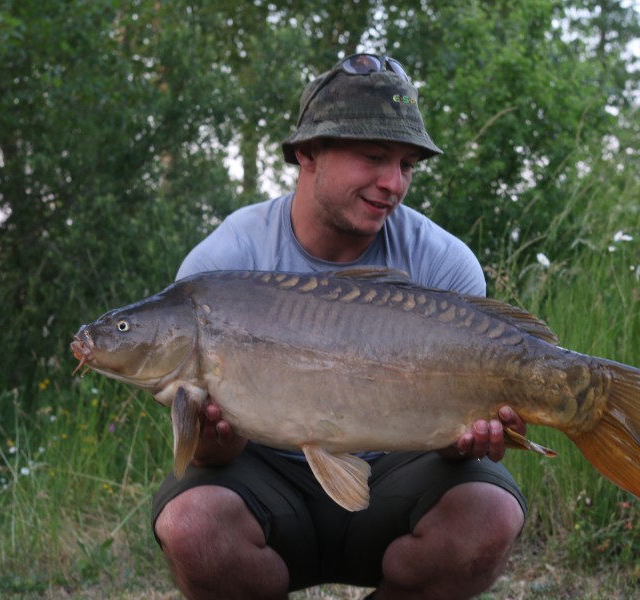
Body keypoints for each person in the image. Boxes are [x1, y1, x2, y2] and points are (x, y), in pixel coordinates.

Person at [152, 53, 528, 600]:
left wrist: (465, 441)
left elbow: (449, 446)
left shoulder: (444, 264)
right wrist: (213, 440)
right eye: (374, 157)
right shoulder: (223, 266)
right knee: (192, 525)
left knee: (489, 512)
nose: (392, 183)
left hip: (397, 472)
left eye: (407, 165)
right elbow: (211, 460)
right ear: (307, 152)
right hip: (267, 479)